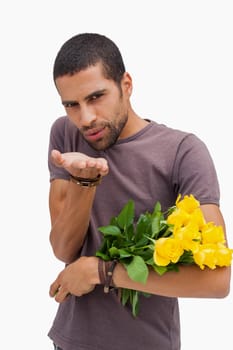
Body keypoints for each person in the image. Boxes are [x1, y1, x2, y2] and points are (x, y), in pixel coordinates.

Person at [47, 33, 231, 350]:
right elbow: (64, 249)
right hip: (70, 342)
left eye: (96, 97)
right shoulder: (66, 134)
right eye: (71, 105)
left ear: (127, 85)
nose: (86, 118)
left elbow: (216, 280)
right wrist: (85, 181)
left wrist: (101, 272)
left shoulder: (182, 152)